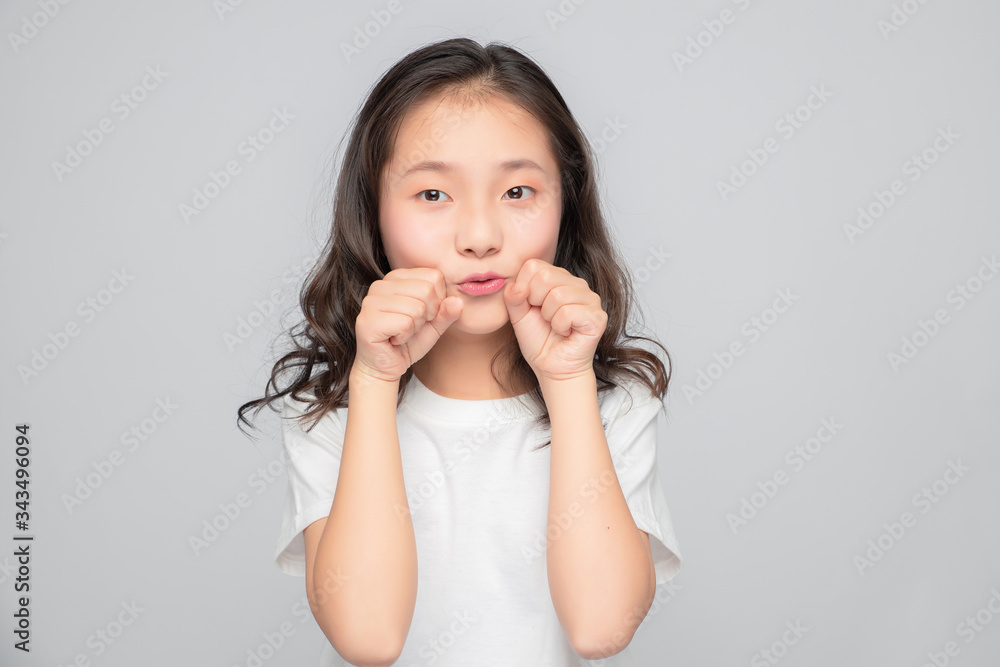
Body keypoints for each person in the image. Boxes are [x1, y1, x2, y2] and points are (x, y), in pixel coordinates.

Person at [238, 36, 683, 666]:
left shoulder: (613, 403)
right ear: (373, 213)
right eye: (433, 195)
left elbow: (601, 627)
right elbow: (368, 638)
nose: (479, 236)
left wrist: (567, 379)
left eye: (518, 192)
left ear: (567, 205)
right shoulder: (330, 410)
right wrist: (372, 381)